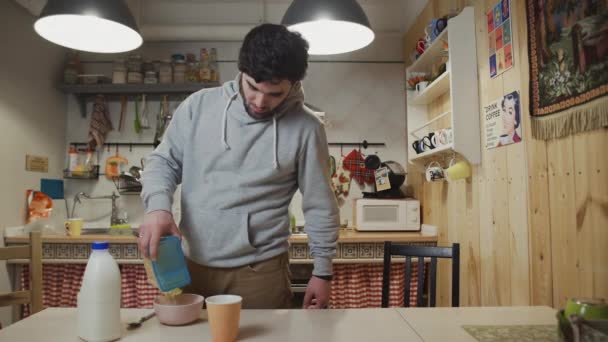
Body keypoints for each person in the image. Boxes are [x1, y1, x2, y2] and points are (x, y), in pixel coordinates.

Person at [138, 23, 340, 310]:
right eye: (253, 87)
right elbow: (163, 162)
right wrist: (157, 207)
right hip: (191, 264)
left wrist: (323, 271)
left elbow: (320, 203)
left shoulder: (307, 128)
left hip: (261, 273)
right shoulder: (198, 106)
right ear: (241, 71)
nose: (260, 101)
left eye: (275, 94)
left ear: (293, 85)